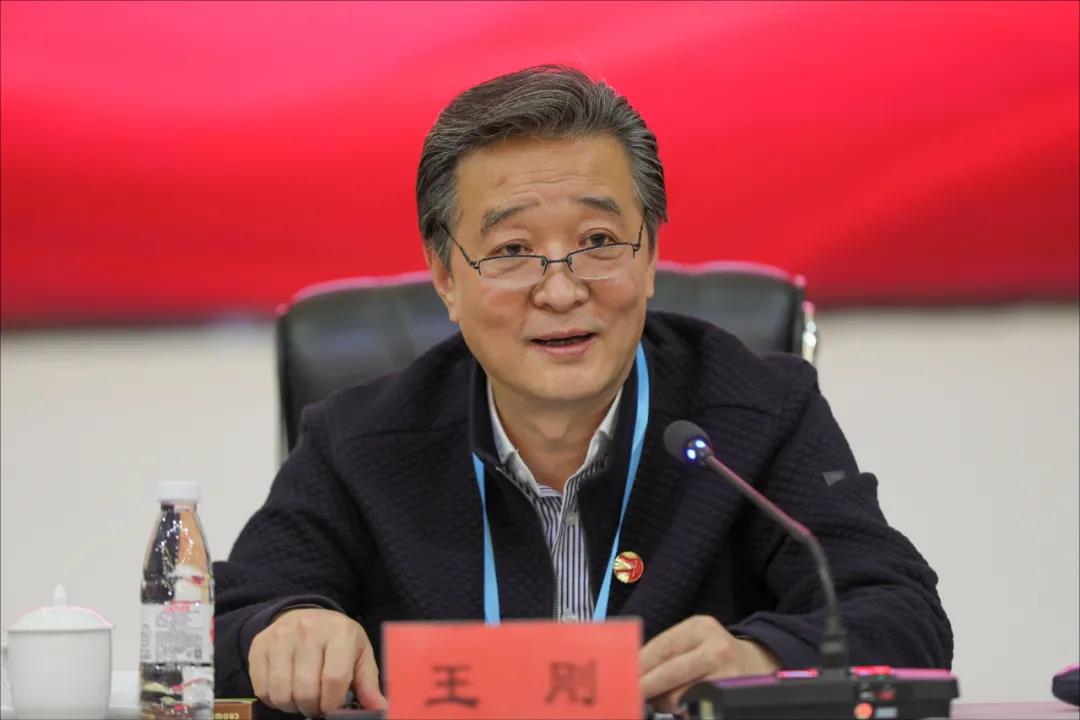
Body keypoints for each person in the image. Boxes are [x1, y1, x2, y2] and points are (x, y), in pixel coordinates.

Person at [213, 65, 952, 718]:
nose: (561, 291)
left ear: (650, 253)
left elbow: (900, 614)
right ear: (446, 278)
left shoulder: (758, 414)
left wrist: (763, 659)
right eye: (512, 251)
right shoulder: (359, 442)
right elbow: (216, 624)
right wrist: (279, 628)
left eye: (598, 242)